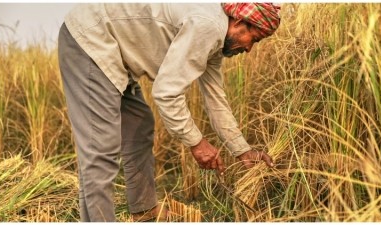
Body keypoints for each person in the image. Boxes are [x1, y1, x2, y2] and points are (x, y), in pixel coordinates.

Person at [58, 3, 281, 222]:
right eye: (254, 39)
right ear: (240, 22)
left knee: (139, 123)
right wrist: (197, 143)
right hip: (90, 39)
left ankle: (144, 210)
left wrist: (242, 151)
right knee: (100, 147)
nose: (249, 48)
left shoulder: (217, 37)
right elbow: (166, 93)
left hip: (112, 50)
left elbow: (216, 100)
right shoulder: (208, 26)